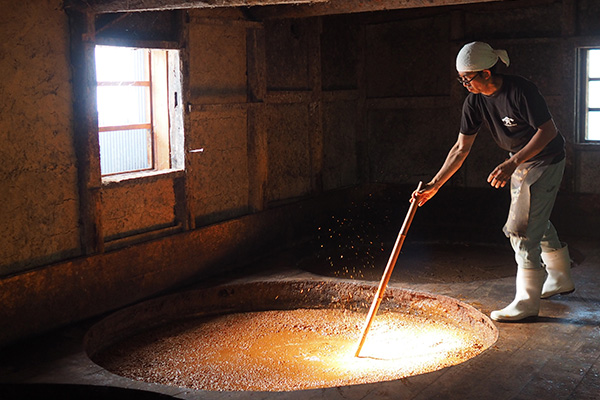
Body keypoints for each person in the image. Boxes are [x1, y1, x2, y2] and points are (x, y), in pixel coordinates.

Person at [412, 41, 575, 322]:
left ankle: (526, 302)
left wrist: (511, 163)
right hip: (519, 160)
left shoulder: (521, 90)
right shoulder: (474, 101)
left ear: (487, 73)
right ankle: (560, 278)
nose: (464, 84)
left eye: (468, 78)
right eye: (461, 79)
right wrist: (435, 185)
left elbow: (548, 131)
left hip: (546, 159)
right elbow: (460, 149)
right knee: (534, 218)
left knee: (521, 230)